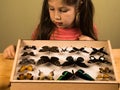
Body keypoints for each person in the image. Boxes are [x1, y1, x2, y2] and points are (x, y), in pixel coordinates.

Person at [3, 0, 98, 59]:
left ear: (78, 7)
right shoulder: (43, 28)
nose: (56, 17)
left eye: (63, 10)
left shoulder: (88, 28)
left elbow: (96, 58)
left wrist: (93, 46)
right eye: (51, 9)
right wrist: (14, 49)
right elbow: (30, 51)